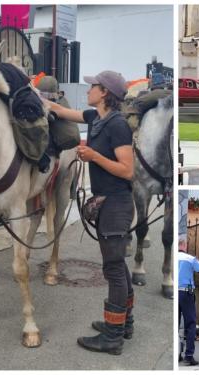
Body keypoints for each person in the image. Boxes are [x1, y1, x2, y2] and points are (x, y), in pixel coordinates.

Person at [46, 70, 134, 355]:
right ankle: (124, 323)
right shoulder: (97, 118)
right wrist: (37, 97)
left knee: (113, 269)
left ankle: (112, 337)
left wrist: (94, 156)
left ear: (105, 93)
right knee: (118, 265)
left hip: (117, 204)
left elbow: (127, 170)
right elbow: (62, 111)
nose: (88, 89)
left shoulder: (118, 125)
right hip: (109, 203)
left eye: (93, 86)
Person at [178, 234, 199, 366]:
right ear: (184, 245)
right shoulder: (190, 259)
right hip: (186, 293)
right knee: (190, 325)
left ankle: (177, 354)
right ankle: (189, 356)